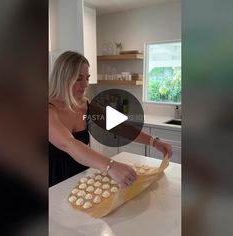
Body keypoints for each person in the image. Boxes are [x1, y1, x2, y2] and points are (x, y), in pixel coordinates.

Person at [49, 51, 172, 187]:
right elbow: (68, 143)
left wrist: (154, 142)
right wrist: (111, 166)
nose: (85, 85)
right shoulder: (49, 110)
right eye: (78, 79)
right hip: (54, 181)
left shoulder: (85, 105)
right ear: (62, 78)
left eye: (87, 78)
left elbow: (120, 126)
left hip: (80, 177)